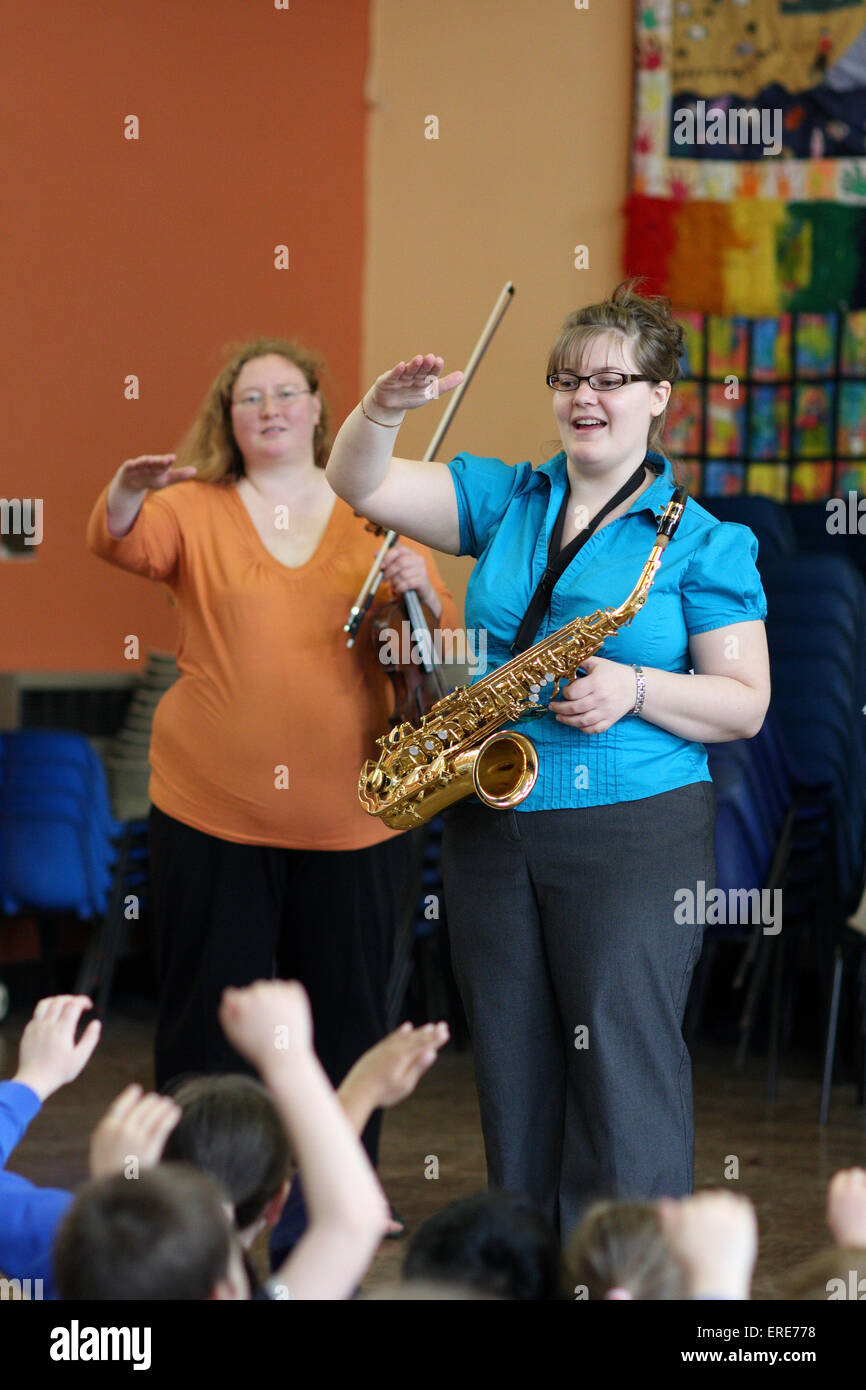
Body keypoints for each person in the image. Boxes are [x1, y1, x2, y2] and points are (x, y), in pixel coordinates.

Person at [325, 281, 771, 1240]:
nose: (586, 397)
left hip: (635, 830)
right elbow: (359, 483)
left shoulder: (702, 541)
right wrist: (382, 412)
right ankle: (529, 1270)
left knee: (622, 1068)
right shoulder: (506, 497)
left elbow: (745, 705)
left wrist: (638, 688)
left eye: (614, 379)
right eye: (568, 378)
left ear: (661, 396)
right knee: (515, 1073)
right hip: (497, 823)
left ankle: (631, 1279)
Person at [85, 337, 459, 1179]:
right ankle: (199, 1195)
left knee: (350, 1016)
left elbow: (434, 657)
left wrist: (420, 589)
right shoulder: (195, 507)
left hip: (354, 815)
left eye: (285, 393)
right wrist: (124, 492)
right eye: (248, 399)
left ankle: (340, 1190)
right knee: (207, 1014)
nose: (269, 410)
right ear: (228, 417)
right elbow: (120, 543)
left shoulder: (379, 508)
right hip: (211, 810)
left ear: (322, 407)